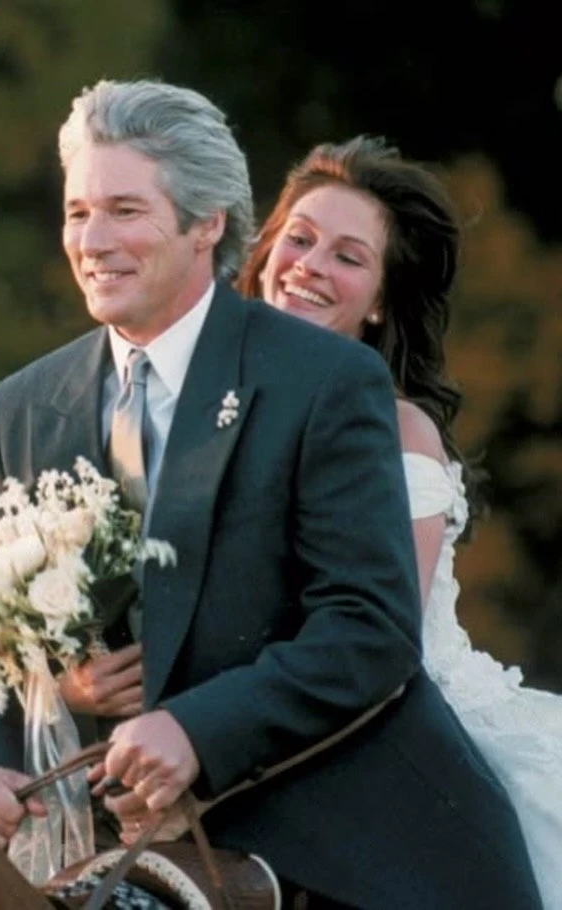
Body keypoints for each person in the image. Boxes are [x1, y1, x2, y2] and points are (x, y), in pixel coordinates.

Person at [0, 80, 542, 908]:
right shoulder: (20, 407)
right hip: (127, 846)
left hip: (345, 846)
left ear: (207, 224)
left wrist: (195, 729)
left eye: (125, 211)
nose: (93, 240)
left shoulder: (326, 379)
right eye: (79, 212)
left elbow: (369, 627)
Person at [237, 134, 562, 908]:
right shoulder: (208, 411)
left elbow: (381, 635)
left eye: (348, 256)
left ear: (380, 302)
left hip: (398, 734)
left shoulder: (398, 432)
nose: (311, 265)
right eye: (300, 239)